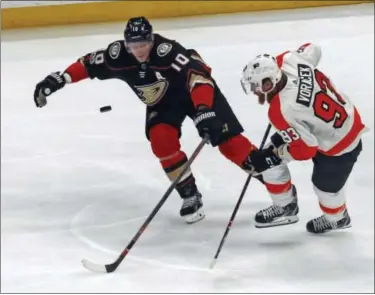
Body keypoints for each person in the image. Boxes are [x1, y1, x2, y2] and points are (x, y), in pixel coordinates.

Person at [34, 16, 294, 225]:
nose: (139, 51)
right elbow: (88, 63)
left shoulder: (168, 51)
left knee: (229, 143)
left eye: (143, 44)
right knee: (161, 140)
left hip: (197, 93)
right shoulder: (117, 56)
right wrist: (59, 79)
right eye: (134, 46)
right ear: (126, 44)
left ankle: (281, 193)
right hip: (163, 102)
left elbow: (198, 75)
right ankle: (190, 194)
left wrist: (204, 110)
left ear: (152, 39)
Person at [240, 43, 366, 233]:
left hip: (340, 144)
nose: (254, 90)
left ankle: (338, 219)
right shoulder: (288, 59)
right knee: (267, 154)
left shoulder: (282, 111)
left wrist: (276, 154)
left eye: (256, 86)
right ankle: (285, 206)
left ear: (268, 83)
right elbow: (313, 48)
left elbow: (306, 150)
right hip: (339, 119)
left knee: (325, 188)